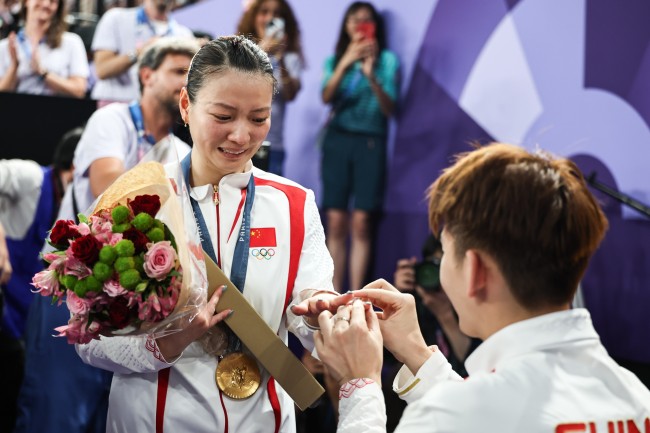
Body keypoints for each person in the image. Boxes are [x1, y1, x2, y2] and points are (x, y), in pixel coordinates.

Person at [76, 35, 351, 433]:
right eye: (223, 116)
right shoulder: (136, 201)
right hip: (153, 421)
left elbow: (306, 308)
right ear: (186, 106)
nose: (241, 136)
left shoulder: (294, 204)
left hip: (264, 422)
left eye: (258, 118)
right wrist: (166, 344)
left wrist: (321, 313)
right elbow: (88, 340)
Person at [313, 143, 650, 432]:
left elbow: (474, 412)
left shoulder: (449, 416)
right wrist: (416, 351)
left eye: (446, 252)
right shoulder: (634, 395)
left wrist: (360, 384)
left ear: (474, 270)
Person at [14, 37, 199, 433]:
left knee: (109, 418)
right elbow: (111, 191)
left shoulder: (181, 151)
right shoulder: (111, 118)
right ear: (146, 75)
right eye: (178, 71)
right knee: (57, 415)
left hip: (137, 299)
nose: (188, 83)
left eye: (193, 75)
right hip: (77, 288)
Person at [320, 1, 399, 293]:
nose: (359, 26)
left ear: (375, 26)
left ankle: (355, 294)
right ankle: (332, 293)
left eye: (366, 21)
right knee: (337, 221)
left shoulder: (387, 61)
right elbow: (326, 95)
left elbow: (390, 108)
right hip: (338, 140)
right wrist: (345, 62)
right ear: (346, 26)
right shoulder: (337, 58)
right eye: (354, 21)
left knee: (363, 222)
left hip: (370, 142)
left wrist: (371, 74)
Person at [236, 0, 304, 176]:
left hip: (273, 145)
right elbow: (235, 83)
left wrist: (279, 56)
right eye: (264, 12)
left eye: (277, 14)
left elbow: (291, 94)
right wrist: (263, 49)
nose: (270, 18)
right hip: (240, 140)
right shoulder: (239, 51)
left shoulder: (290, 58)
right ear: (253, 17)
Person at [90, 0, 194, 104]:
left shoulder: (184, 35)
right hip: (114, 102)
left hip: (157, 108)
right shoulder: (115, 18)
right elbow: (102, 70)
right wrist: (139, 53)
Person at [0, 0, 89, 97]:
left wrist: (43, 73)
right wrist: (14, 66)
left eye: (52, 1)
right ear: (26, 2)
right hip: (15, 109)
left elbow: (79, 90)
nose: (46, 4)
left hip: (58, 109)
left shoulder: (71, 42)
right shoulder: (6, 46)